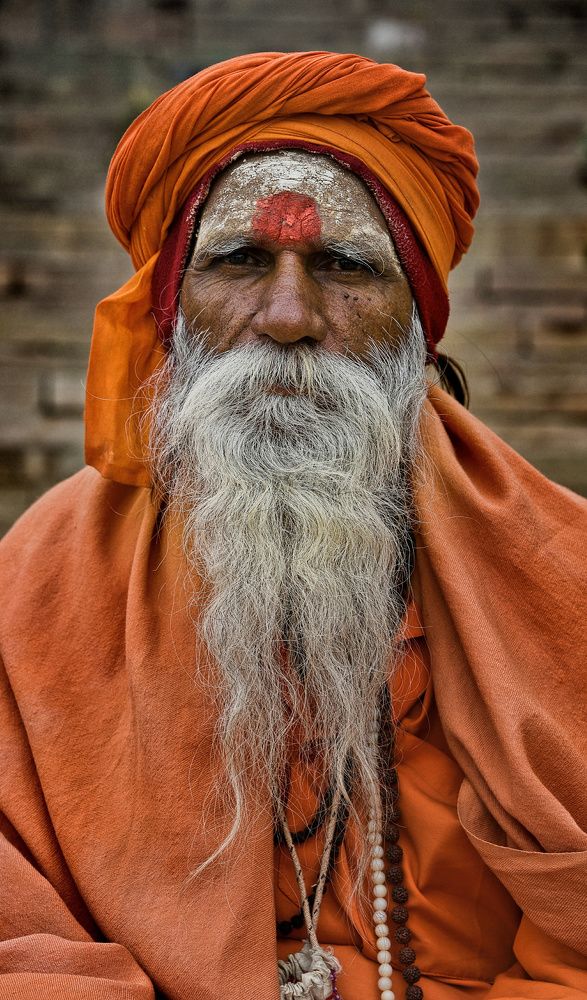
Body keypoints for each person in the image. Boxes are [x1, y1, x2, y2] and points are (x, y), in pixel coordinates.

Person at [0, 51, 585, 1000]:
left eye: (344, 267)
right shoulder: (35, 584)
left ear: (418, 323)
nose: (287, 315)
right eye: (236, 261)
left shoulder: (562, 570)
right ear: (170, 307)